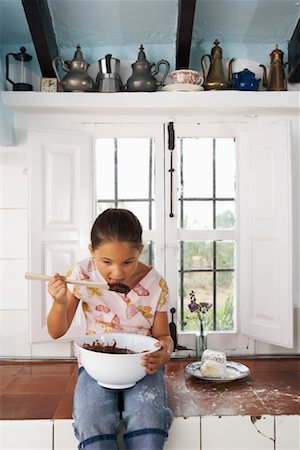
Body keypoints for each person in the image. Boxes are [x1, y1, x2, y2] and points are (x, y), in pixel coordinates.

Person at [47, 208, 173, 450]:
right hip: (97, 365)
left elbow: (163, 337)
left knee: (149, 414)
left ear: (140, 251)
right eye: (106, 262)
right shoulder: (82, 275)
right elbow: (56, 331)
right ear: (92, 251)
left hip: (142, 365)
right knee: (92, 417)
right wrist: (59, 303)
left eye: (128, 262)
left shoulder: (156, 284)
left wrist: (164, 353)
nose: (117, 273)